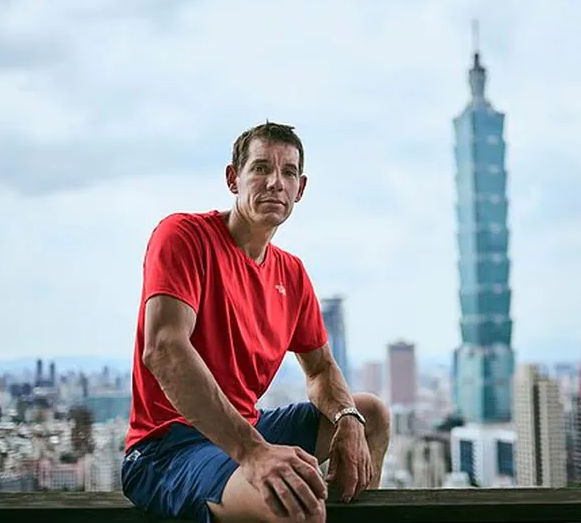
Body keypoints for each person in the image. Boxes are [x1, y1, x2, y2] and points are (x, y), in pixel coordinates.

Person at [121, 122, 391, 523]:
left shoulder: (291, 273)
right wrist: (254, 453)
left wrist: (347, 417)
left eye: (288, 172)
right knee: (293, 506)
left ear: (300, 189)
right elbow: (164, 349)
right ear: (233, 179)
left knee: (371, 415)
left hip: (247, 430)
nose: (275, 183)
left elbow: (320, 368)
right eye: (261, 168)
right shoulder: (183, 236)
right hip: (168, 448)